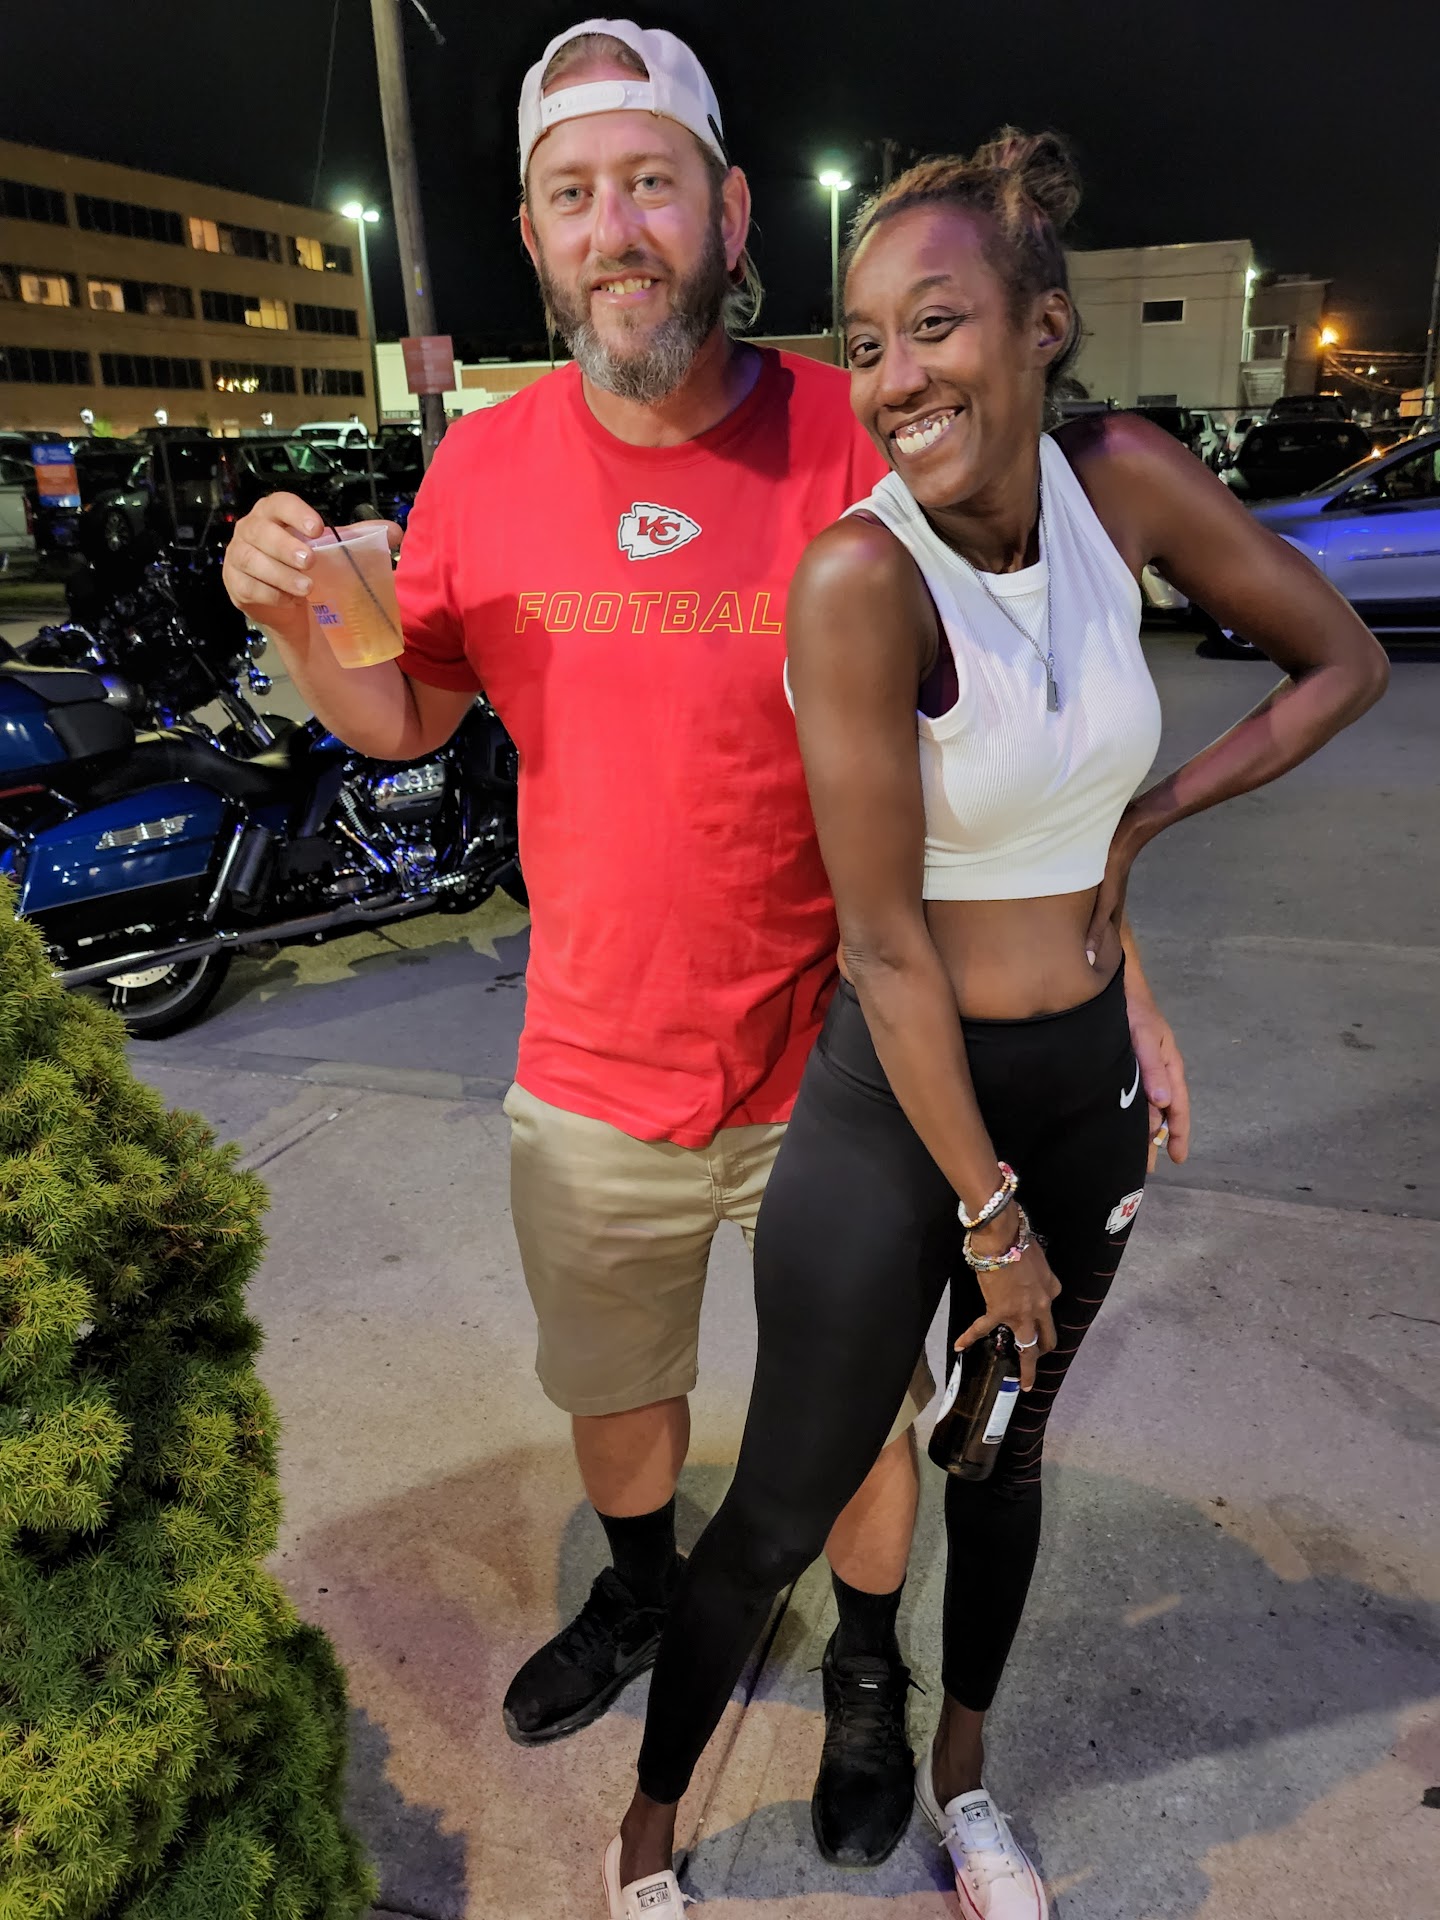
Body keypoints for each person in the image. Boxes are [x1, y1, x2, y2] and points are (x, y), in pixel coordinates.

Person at [222, 18, 1187, 1871]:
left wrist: (1112, 963)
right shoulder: (483, 468)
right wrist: (294, 613)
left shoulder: (859, 431)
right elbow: (406, 714)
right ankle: (645, 1591)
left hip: (849, 1059)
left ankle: (871, 1665)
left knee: (870, 1421)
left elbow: (1042, 722)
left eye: (652, 183)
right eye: (576, 195)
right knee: (621, 1394)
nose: (618, 228)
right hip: (593, 1061)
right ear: (534, 235)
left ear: (730, 211)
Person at [605, 133, 1387, 1920]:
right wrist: (991, 1216)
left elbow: (1339, 662)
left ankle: (965, 1786)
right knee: (784, 1501)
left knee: (1008, 1458)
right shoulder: (860, 581)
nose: (894, 378)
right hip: (905, 1107)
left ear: (1042, 326)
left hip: (1078, 1080)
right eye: (865, 345)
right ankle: (645, 1841)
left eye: (935, 325)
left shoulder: (1126, 484)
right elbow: (884, 947)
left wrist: (1150, 819)